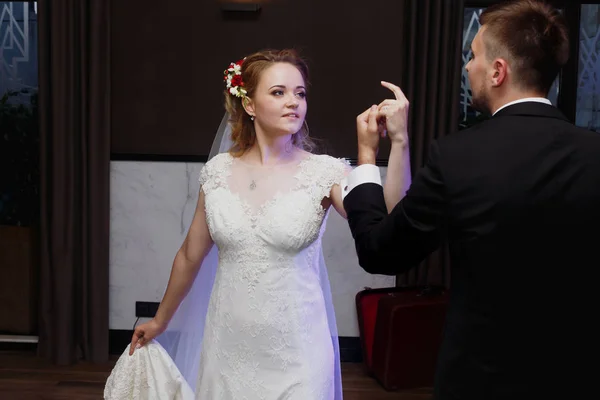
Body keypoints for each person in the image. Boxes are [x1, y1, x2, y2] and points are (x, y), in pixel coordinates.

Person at [342, 1, 599, 399]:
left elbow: (381, 252)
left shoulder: (458, 157)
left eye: (474, 56)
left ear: (498, 71)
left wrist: (364, 160)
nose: (468, 67)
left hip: (481, 378)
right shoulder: (593, 153)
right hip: (577, 376)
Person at [104, 49, 356, 399]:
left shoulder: (326, 172)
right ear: (249, 105)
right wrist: (160, 321)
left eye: (300, 93)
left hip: (299, 350)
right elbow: (191, 256)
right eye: (279, 92)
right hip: (228, 347)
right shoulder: (219, 172)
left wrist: (397, 146)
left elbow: (377, 217)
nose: (293, 102)